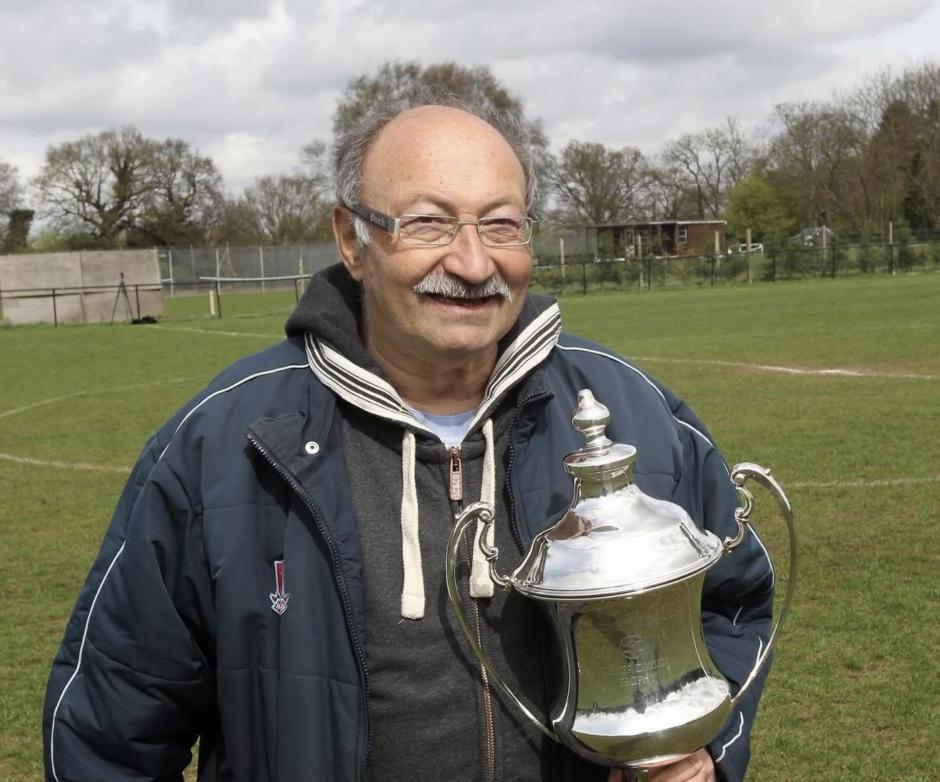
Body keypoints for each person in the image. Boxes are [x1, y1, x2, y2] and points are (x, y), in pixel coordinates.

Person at [43, 97, 774, 782]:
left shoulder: (632, 411)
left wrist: (699, 744)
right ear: (351, 241)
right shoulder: (227, 444)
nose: (473, 263)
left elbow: (731, 602)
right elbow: (114, 722)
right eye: (428, 223)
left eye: (500, 224)